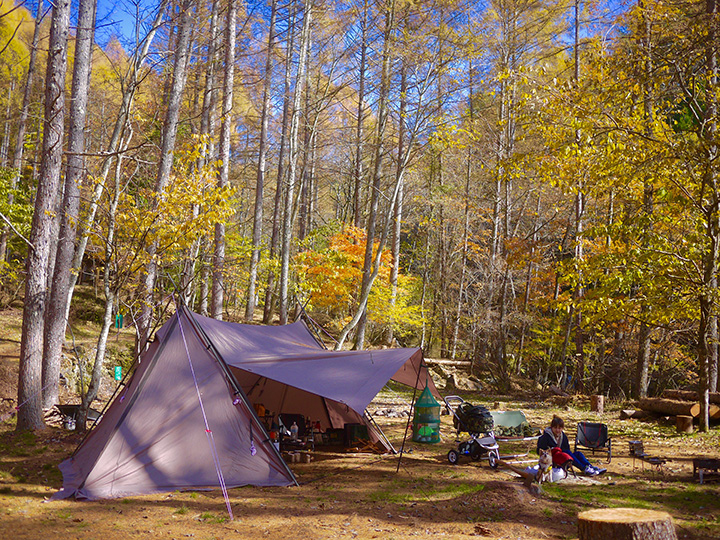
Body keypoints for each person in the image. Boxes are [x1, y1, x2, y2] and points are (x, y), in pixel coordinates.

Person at [537, 415, 606, 476]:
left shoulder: (563, 436)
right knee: (568, 454)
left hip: (564, 456)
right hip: (553, 459)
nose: (557, 430)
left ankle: (590, 467)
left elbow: (567, 448)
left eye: (560, 428)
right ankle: (584, 468)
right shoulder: (546, 437)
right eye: (555, 428)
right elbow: (540, 450)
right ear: (551, 427)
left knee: (578, 454)